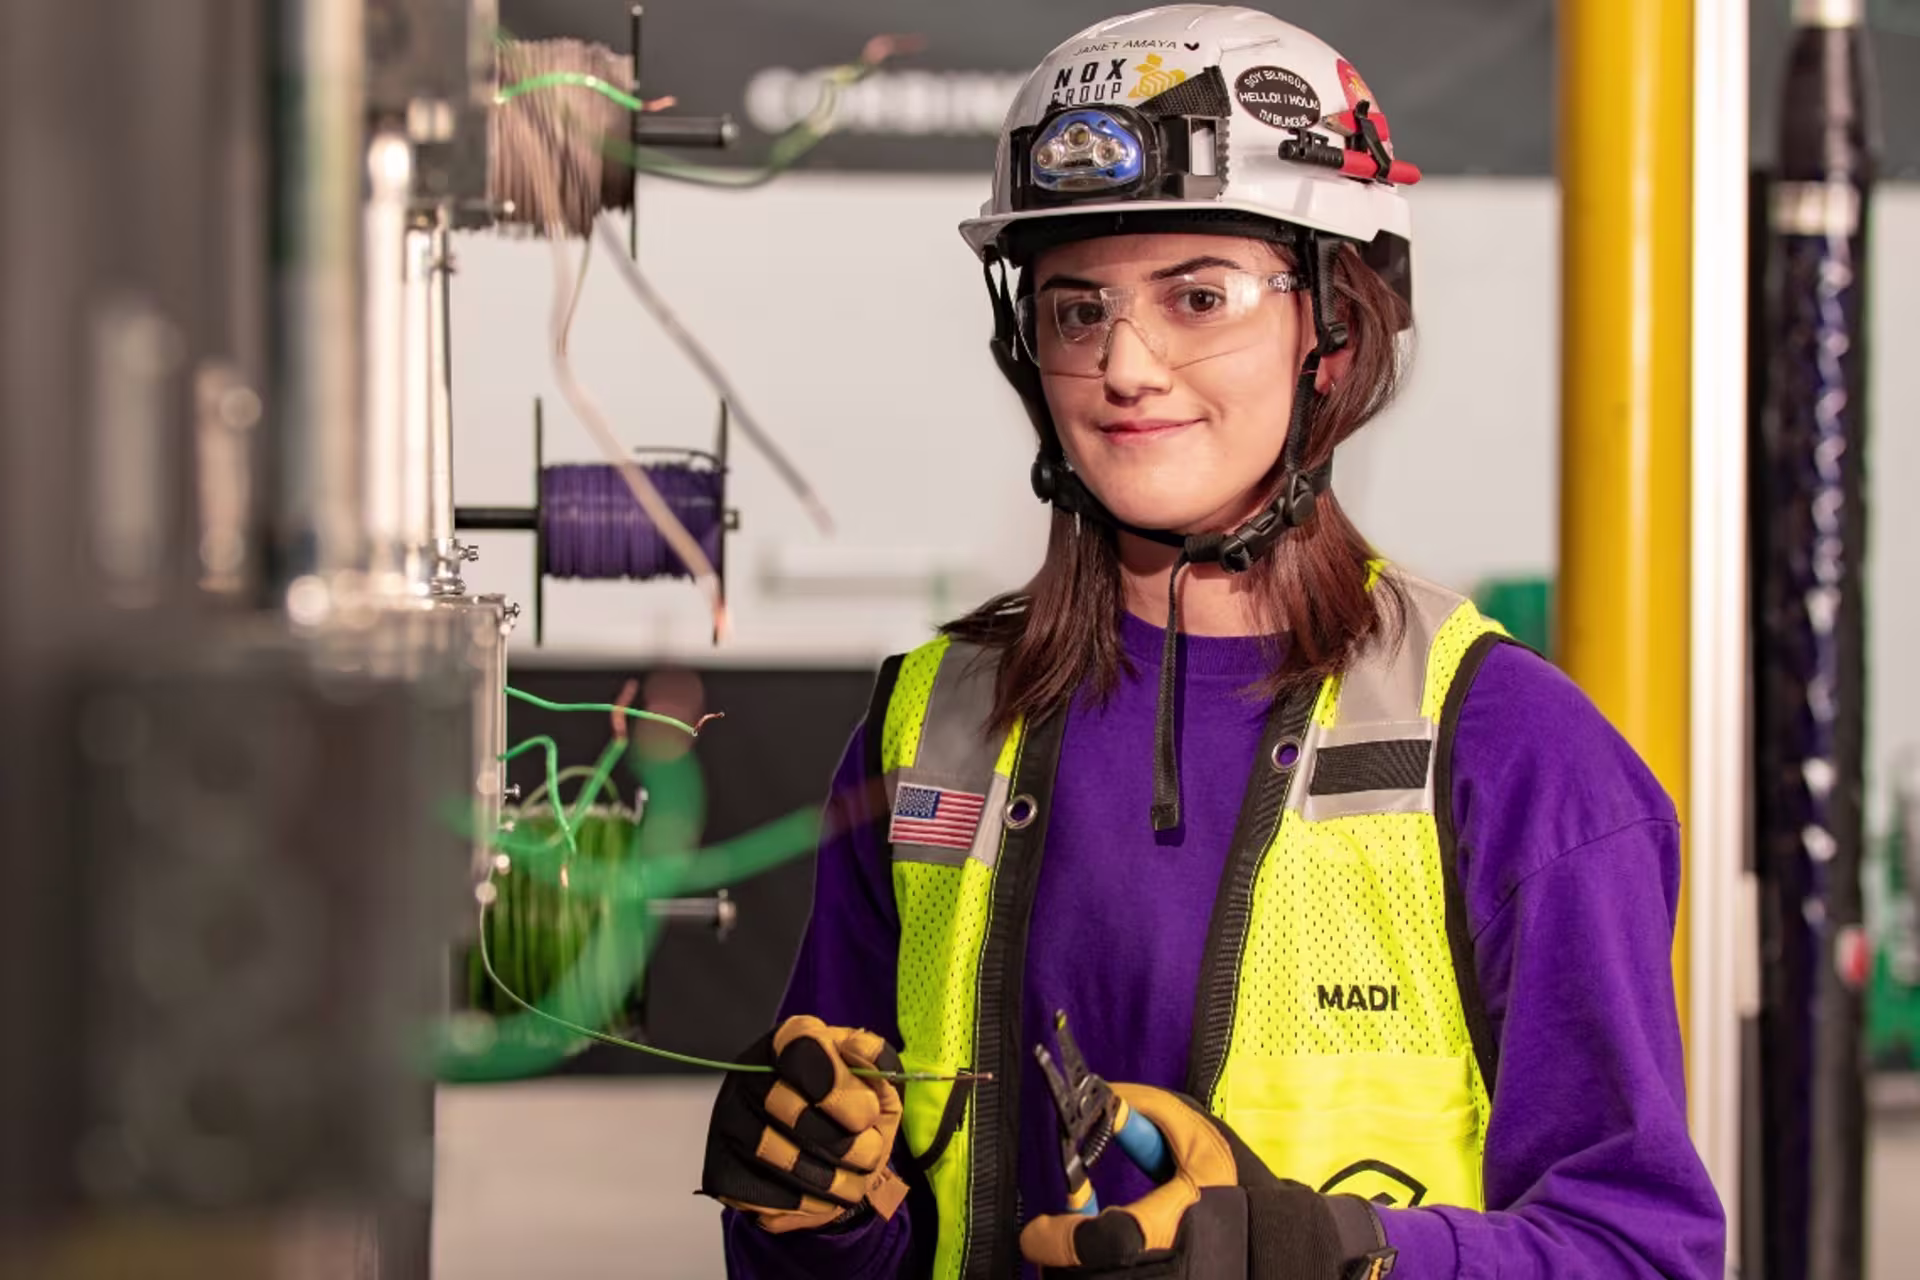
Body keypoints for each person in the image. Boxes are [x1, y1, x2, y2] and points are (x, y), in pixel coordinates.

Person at [699, 7, 1727, 1277]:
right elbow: (862, 1241)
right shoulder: (932, 728)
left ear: (1334, 329)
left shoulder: (1516, 757)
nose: (1126, 363)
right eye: (1078, 309)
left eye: (1200, 296)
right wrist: (814, 1209)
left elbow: (1641, 1250)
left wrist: (1329, 1252)